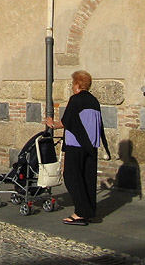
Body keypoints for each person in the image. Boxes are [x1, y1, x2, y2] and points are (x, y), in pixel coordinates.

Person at [45, 70, 110, 226]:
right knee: (88, 179)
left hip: (77, 144)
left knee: (72, 178)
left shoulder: (75, 100)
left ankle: (80, 213)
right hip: (91, 146)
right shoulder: (94, 101)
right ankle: (90, 212)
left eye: (73, 83)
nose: (72, 86)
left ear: (78, 84)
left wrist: (52, 124)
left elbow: (67, 121)